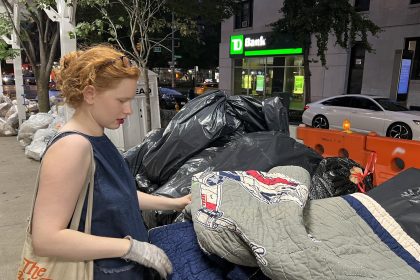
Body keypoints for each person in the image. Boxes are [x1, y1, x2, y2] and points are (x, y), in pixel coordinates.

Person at [31, 45, 191, 279]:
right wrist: (131, 248)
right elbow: (46, 239)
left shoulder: (97, 137)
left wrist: (175, 203)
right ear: (90, 94)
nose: (128, 110)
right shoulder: (72, 147)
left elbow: (118, 193)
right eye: (121, 100)